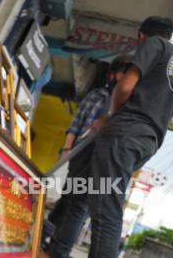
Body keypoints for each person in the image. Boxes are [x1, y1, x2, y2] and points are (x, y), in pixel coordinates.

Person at [48, 16, 173, 258]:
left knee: (105, 209)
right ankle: (55, 250)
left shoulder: (154, 44)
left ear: (141, 36)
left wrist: (110, 117)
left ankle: (57, 249)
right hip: (147, 142)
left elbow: (125, 87)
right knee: (90, 198)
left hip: (124, 136)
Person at [48, 56, 127, 227]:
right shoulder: (98, 95)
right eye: (122, 73)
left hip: (100, 163)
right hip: (79, 154)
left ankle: (58, 245)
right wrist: (67, 149)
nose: (125, 79)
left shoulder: (128, 107)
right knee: (67, 196)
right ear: (113, 74)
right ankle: (49, 234)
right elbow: (76, 124)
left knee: (79, 206)